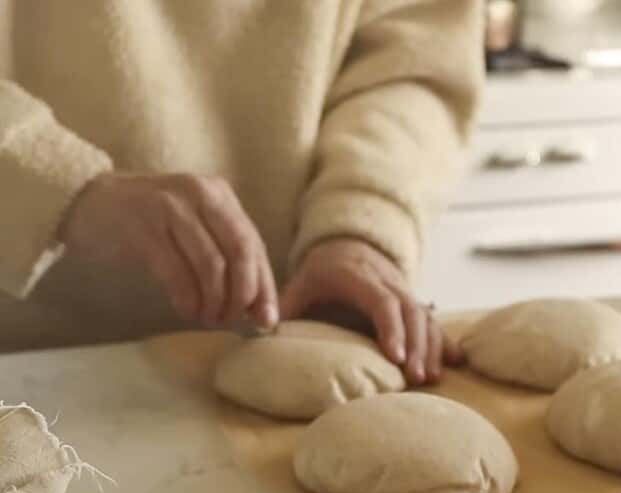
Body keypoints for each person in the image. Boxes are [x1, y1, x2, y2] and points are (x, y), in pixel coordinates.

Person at [0, 1, 482, 385]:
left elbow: (412, 59)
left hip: (286, 329)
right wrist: (55, 184)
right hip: (22, 364)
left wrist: (359, 227)